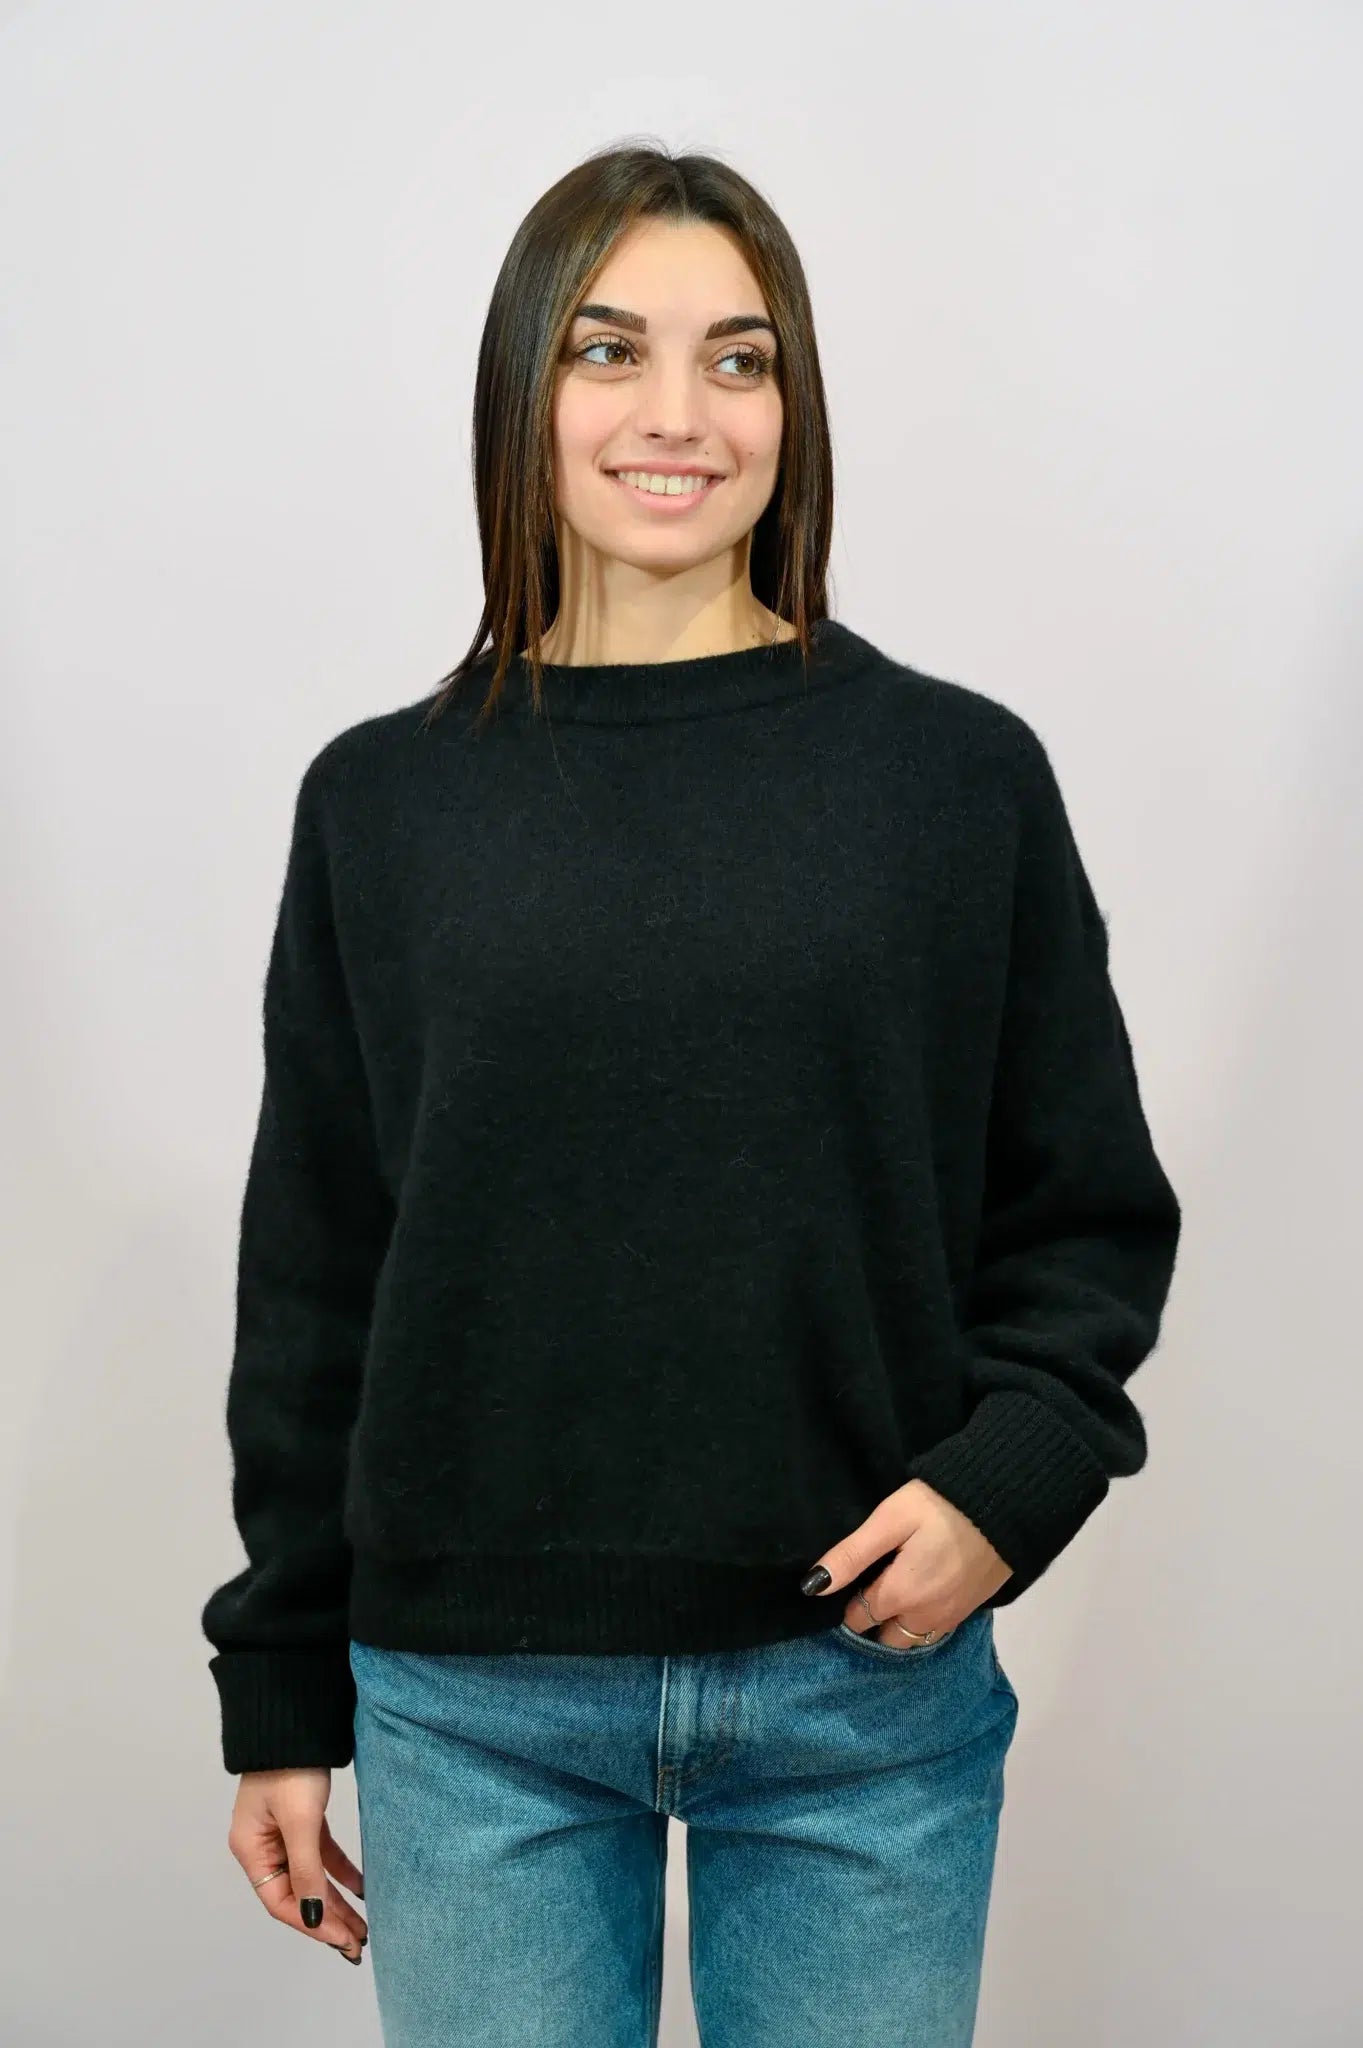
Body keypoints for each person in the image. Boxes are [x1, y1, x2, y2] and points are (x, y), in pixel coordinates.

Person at [200, 142, 1182, 2046]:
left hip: (860, 1694)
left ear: (793, 409)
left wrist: (1013, 1481)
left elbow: (1084, 1207)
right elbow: (316, 1273)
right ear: (522, 393)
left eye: (739, 358)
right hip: (468, 1708)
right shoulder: (382, 804)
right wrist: (280, 1690)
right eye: (609, 350)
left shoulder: (953, 779)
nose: (678, 413)